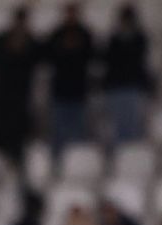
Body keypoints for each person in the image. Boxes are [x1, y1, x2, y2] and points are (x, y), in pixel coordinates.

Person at [0, 8, 40, 166]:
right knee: (1, 125)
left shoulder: (31, 41)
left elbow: (38, 62)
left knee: (18, 130)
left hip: (22, 94)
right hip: (3, 93)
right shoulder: (1, 40)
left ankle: (16, 156)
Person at [44, 4, 96, 159]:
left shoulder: (85, 34)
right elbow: (47, 57)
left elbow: (92, 57)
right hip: (60, 90)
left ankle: (76, 162)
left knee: (78, 132)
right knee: (58, 131)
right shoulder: (57, 34)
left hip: (79, 91)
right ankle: (57, 161)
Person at [101, 4, 152, 144]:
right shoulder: (113, 39)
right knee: (117, 123)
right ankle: (119, 153)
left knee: (132, 123)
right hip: (116, 86)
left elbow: (140, 61)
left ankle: (130, 153)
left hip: (133, 86)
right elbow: (108, 61)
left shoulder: (140, 39)